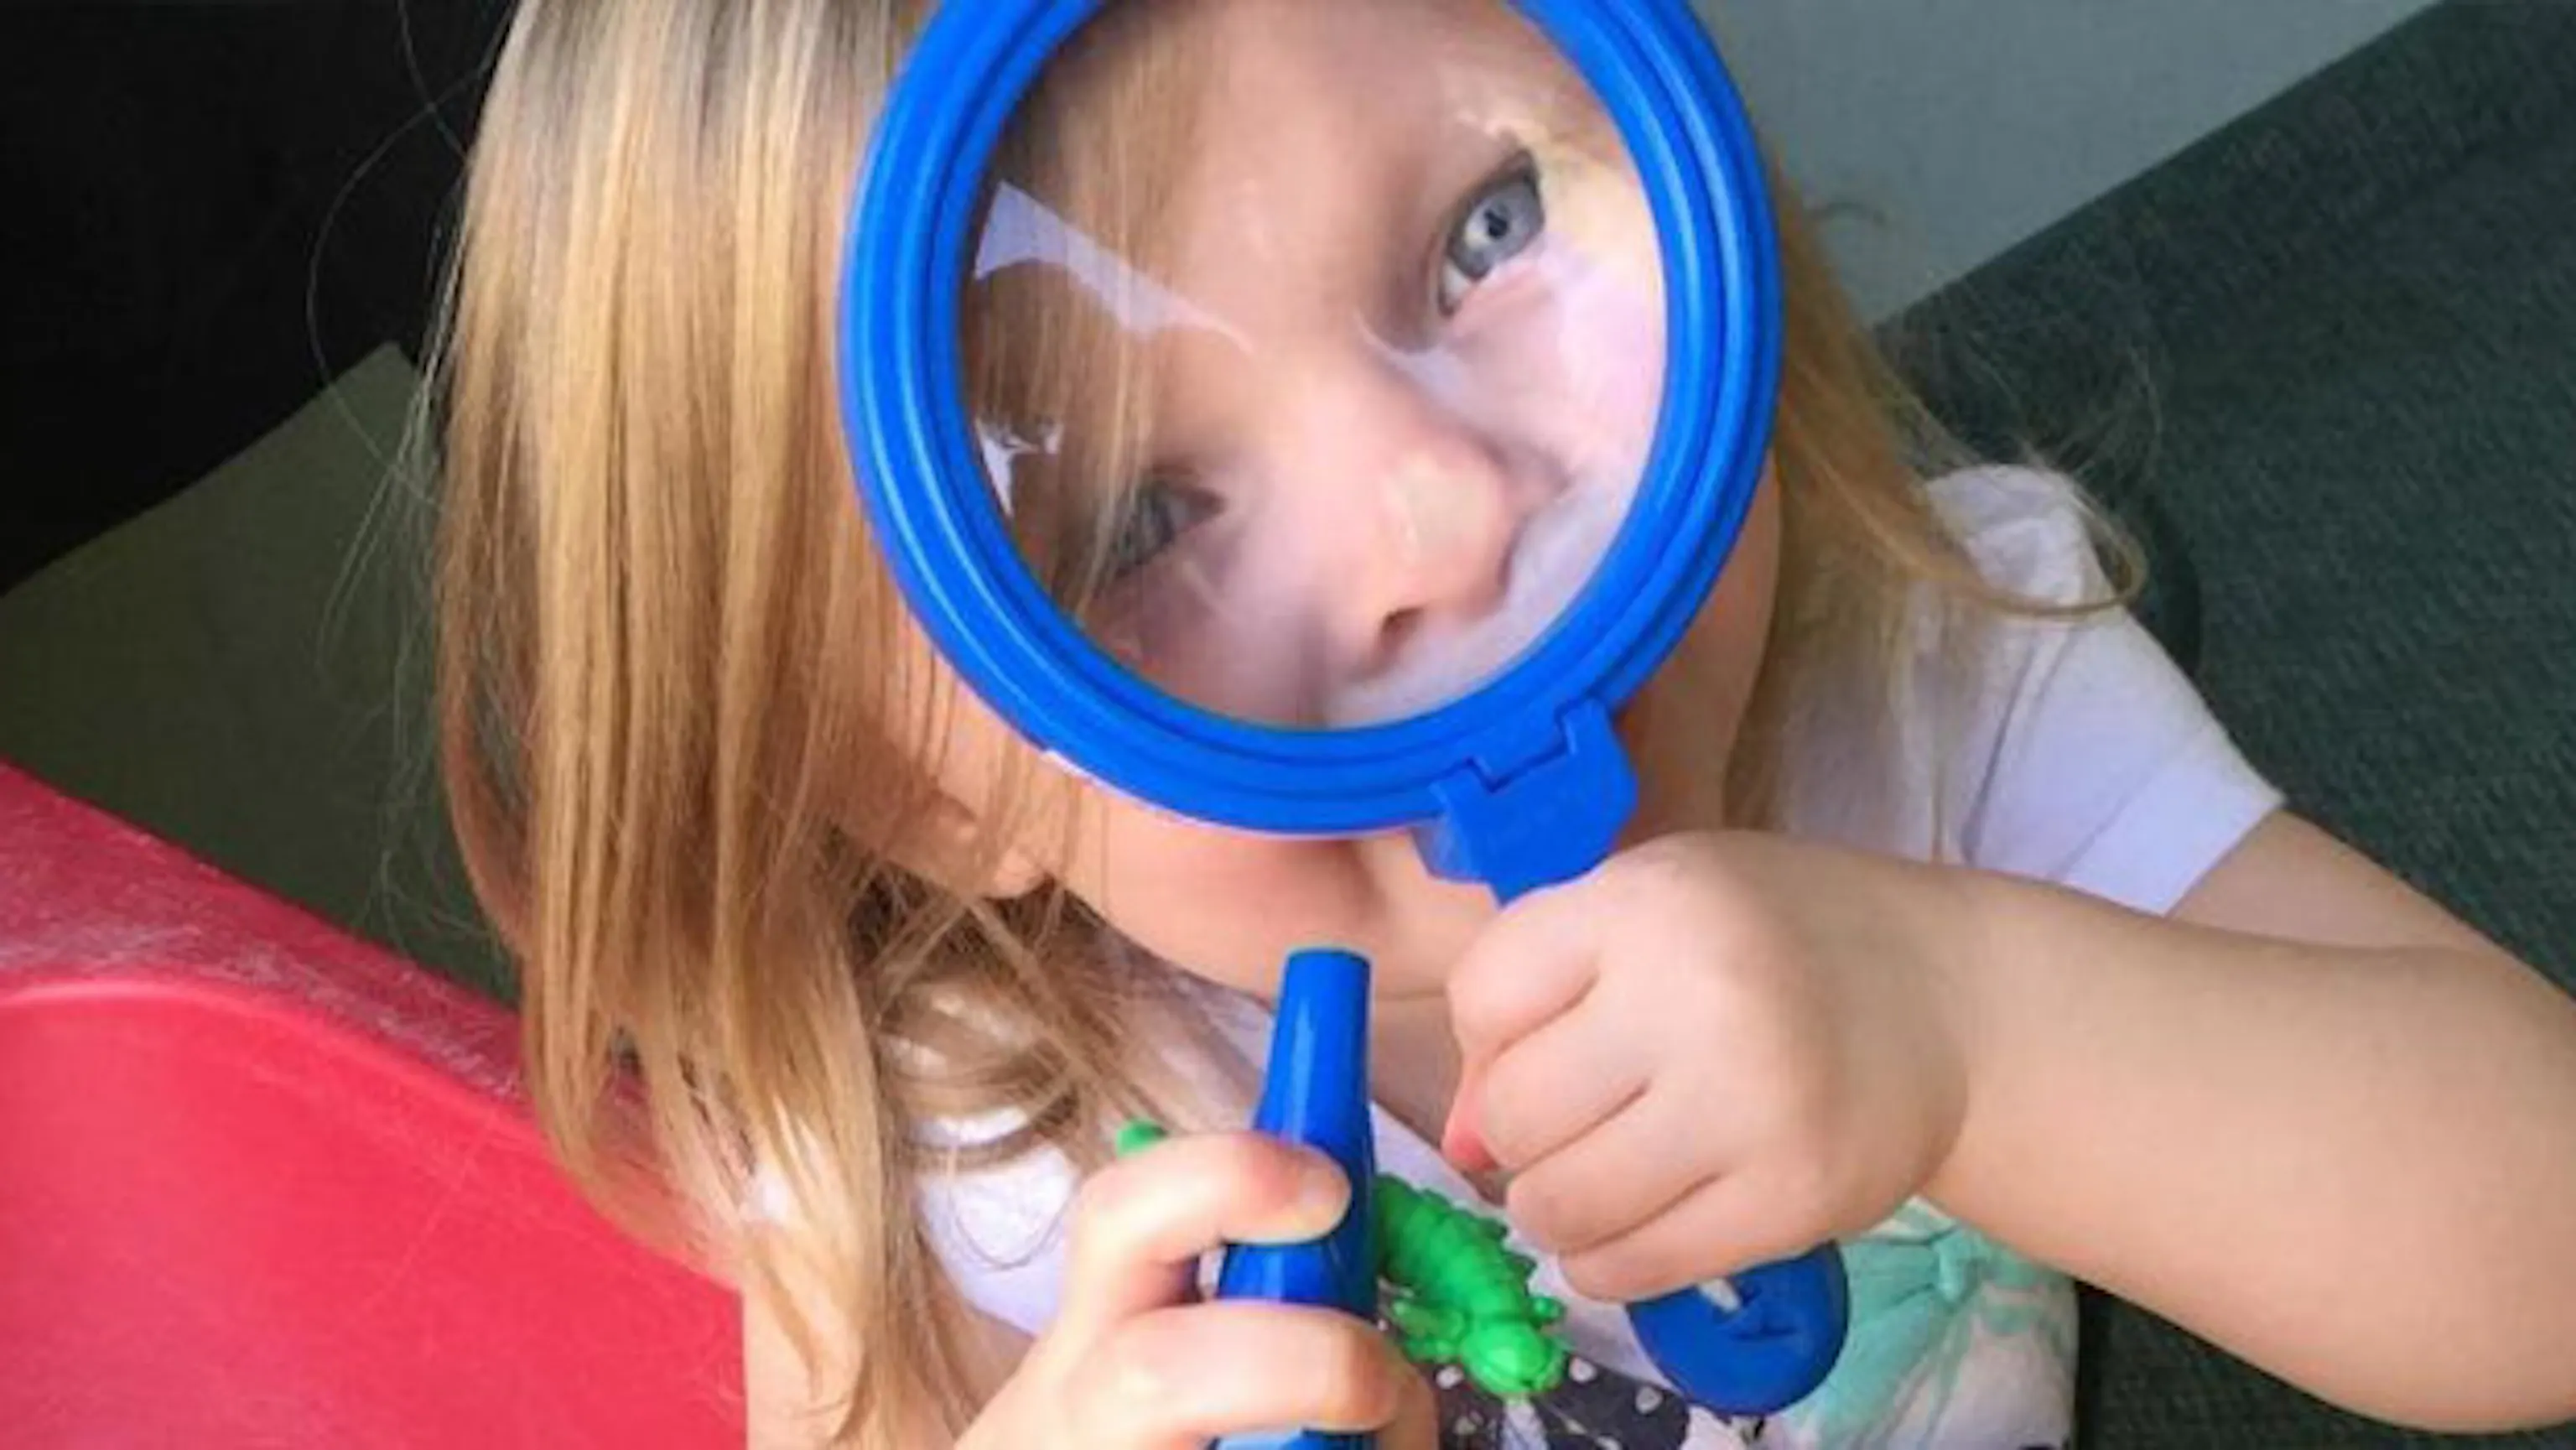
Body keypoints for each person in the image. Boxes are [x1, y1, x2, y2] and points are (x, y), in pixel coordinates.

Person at [428, 1, 2576, 1446]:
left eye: (1484, 229)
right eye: (1139, 520)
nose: (1442, 521)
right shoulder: (938, 1157)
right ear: (915, 788)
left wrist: (1977, 1032)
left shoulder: (1937, 686)